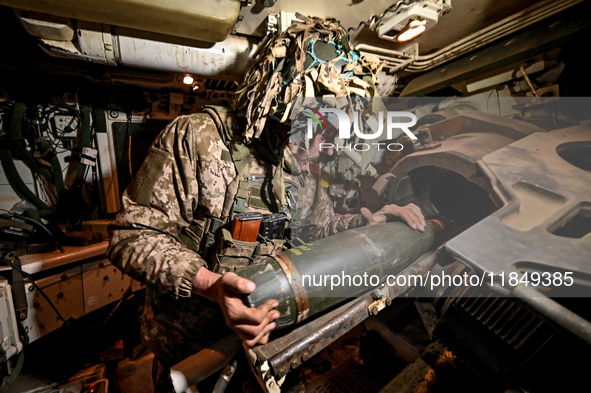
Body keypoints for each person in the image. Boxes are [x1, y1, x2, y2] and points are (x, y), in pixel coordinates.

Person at [108, 14, 425, 392]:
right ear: (282, 104)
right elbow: (131, 235)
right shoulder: (198, 140)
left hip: (265, 350)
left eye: (336, 135)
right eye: (319, 130)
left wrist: (367, 221)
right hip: (188, 352)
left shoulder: (301, 165)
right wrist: (210, 284)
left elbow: (317, 228)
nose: (326, 149)